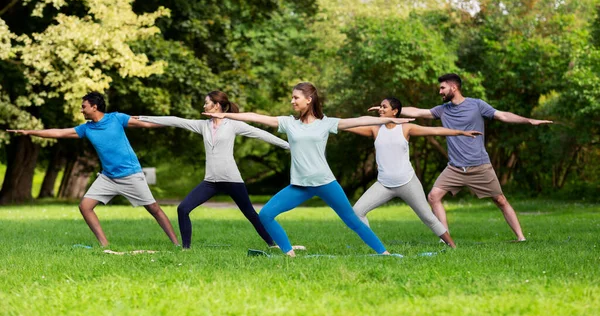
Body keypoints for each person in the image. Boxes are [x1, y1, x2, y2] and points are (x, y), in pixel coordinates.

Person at [204, 82, 414, 257]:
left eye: (296, 97)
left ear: (309, 99)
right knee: (266, 214)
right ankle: (289, 254)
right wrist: (227, 116)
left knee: (352, 220)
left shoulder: (325, 123)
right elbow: (257, 117)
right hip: (300, 185)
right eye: (292, 98)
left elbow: (358, 121)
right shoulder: (288, 123)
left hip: (325, 182)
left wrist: (389, 119)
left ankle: (384, 254)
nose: (292, 101)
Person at [7, 92, 179, 247]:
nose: (81, 110)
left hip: (131, 175)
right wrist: (29, 132)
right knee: (85, 206)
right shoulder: (86, 129)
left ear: (94, 107)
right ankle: (105, 244)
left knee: (154, 209)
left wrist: (175, 122)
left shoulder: (116, 118)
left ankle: (177, 244)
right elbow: (59, 133)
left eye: (84, 106)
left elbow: (146, 124)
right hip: (108, 177)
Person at [135, 91, 299, 250]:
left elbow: (261, 134)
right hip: (211, 181)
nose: (204, 105)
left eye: (207, 102)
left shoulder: (233, 125)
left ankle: (272, 244)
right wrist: (142, 118)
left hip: (232, 180)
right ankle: (186, 248)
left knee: (250, 214)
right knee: (183, 209)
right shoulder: (202, 126)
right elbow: (175, 120)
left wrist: (288, 146)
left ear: (217, 105)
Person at [399, 73, 553, 241]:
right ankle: (445, 239)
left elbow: (502, 115)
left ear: (454, 87)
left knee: (500, 199)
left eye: (442, 88)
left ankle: (521, 238)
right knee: (433, 197)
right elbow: (418, 112)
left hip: (479, 165)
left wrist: (528, 120)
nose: (440, 92)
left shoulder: (477, 105)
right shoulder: (442, 110)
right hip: (455, 168)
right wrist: (393, 109)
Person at [346, 97, 482, 247]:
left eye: (384, 107)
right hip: (384, 184)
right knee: (357, 211)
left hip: (407, 183)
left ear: (395, 111)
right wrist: (324, 121)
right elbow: (349, 125)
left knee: (428, 217)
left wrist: (461, 132)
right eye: (380, 107)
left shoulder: (405, 128)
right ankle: (375, 246)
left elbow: (435, 130)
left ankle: (452, 245)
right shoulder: (375, 128)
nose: (380, 109)